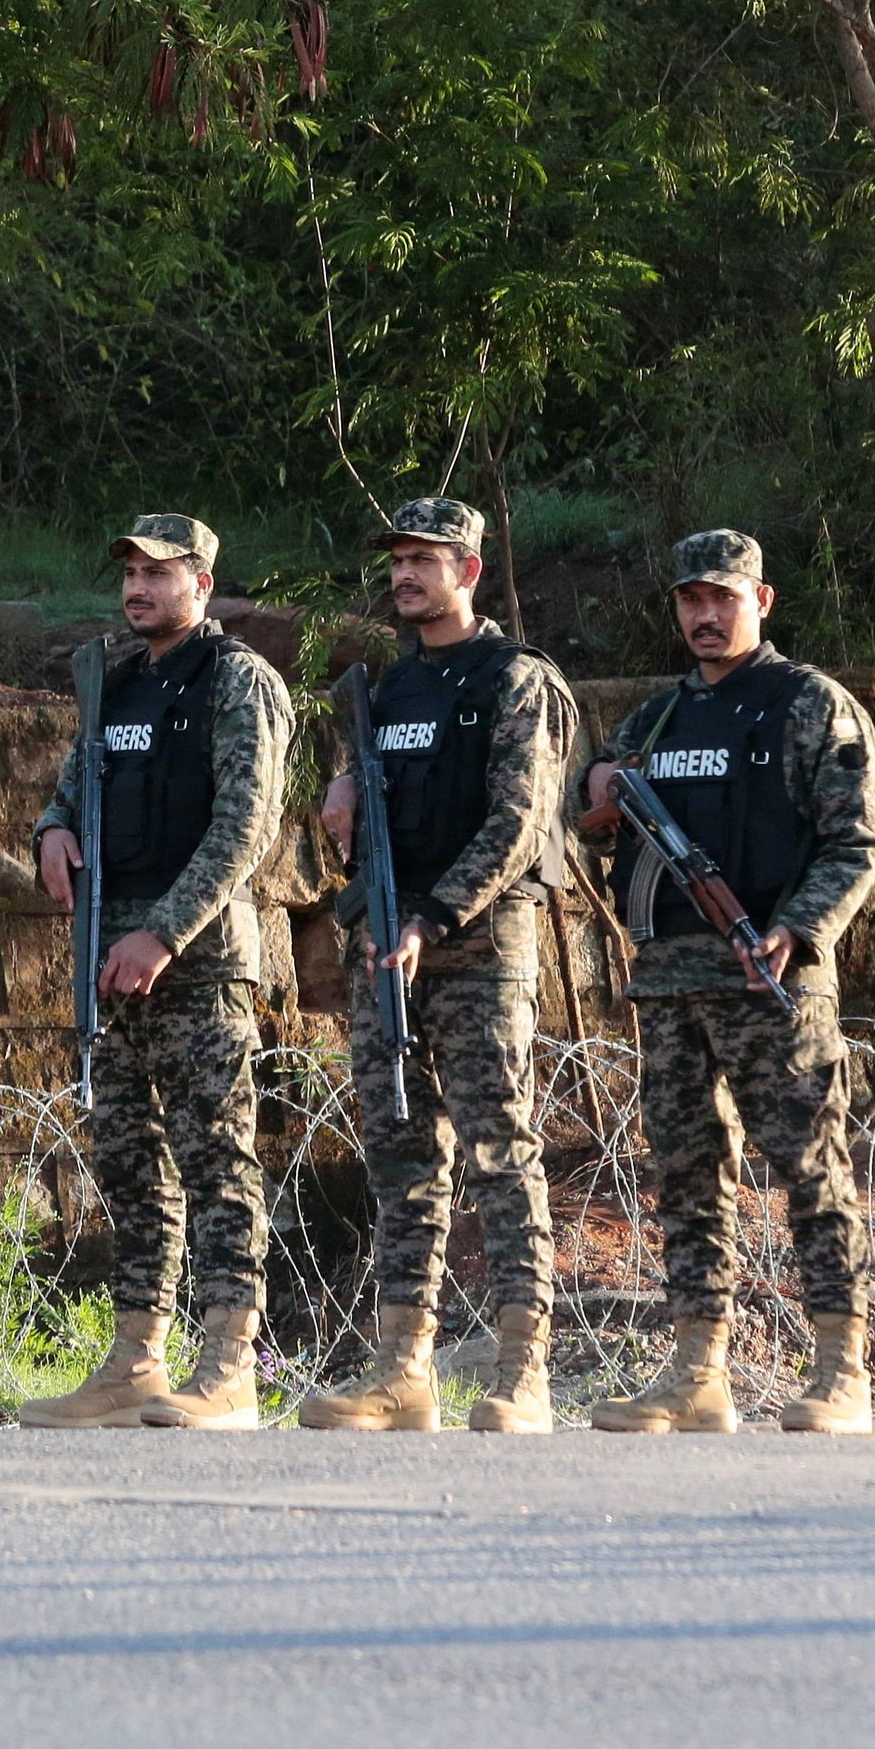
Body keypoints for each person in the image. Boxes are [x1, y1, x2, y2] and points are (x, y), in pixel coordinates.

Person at [579, 530, 875, 1434]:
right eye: (690, 602)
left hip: (769, 976)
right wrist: (597, 787)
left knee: (809, 1168)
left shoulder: (806, 704)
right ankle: (697, 1371)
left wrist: (799, 927)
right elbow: (592, 816)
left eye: (723, 599)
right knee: (685, 1176)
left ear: (763, 600)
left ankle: (841, 1367)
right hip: (669, 983)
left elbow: (859, 843)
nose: (706, 617)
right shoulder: (659, 718)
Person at [295, 498, 578, 1434]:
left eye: (427, 559)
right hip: (386, 935)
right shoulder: (382, 692)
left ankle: (520, 1369)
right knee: (400, 1154)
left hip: (479, 940)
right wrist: (341, 795)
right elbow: (369, 816)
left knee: (499, 1147)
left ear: (471, 570)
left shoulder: (515, 680)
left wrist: (435, 915)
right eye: (400, 559)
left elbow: (517, 822)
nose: (407, 573)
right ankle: (401, 1367)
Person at [22, 514, 297, 1429]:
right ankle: (137, 1357)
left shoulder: (236, 681)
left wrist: (166, 936)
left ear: (202, 583)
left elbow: (244, 827)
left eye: (160, 572)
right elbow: (72, 790)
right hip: (106, 954)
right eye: (130, 572)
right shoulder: (117, 681)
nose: (138, 587)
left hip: (197, 963)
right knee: (130, 1166)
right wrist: (51, 832)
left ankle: (228, 1363)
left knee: (218, 1161)